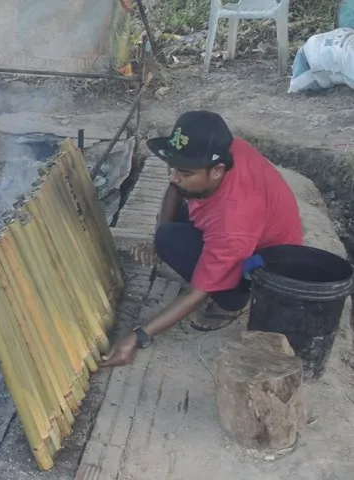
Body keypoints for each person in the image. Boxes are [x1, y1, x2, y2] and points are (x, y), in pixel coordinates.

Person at [100, 110, 303, 367]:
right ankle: (194, 256)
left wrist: (137, 336)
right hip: (247, 230)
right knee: (166, 233)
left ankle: (230, 302)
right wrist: (156, 238)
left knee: (171, 240)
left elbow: (197, 293)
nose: (173, 176)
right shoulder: (221, 150)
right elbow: (175, 185)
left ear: (217, 171)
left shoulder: (233, 222)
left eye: (184, 172)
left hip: (261, 267)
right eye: (172, 167)